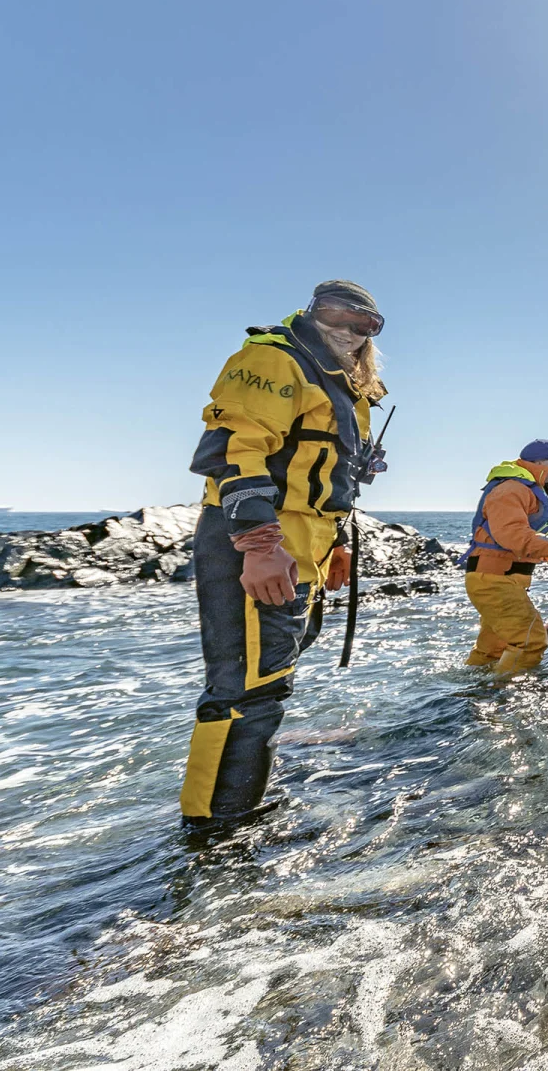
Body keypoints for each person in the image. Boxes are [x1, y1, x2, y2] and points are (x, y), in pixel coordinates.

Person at [181, 280, 390, 829]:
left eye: (365, 324)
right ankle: (217, 828)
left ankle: (237, 807)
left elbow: (322, 475)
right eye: (337, 315)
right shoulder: (275, 360)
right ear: (312, 312)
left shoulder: (350, 390)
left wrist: (338, 544)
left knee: (272, 681)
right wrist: (258, 545)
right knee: (247, 689)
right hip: (261, 544)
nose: (349, 331)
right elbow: (233, 449)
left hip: (309, 549)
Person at [463, 441, 548, 675]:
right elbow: (514, 536)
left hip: (501, 580)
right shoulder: (511, 489)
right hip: (495, 581)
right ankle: (502, 694)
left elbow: (534, 545)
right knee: (531, 642)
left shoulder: (527, 490)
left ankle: (473, 692)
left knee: (492, 649)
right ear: (539, 463)